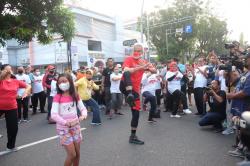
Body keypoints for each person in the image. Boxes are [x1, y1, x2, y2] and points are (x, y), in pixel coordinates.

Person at [121, 43, 156, 145]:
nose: (137, 52)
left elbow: (154, 71)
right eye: (136, 50)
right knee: (127, 73)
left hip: (135, 91)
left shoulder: (143, 61)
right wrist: (141, 67)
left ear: (142, 52)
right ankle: (129, 94)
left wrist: (148, 67)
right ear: (133, 51)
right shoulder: (129, 59)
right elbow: (126, 70)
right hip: (125, 86)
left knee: (136, 113)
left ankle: (132, 136)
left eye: (140, 51)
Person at [51, 73, 87, 166]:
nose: (62, 84)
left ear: (70, 82)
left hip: (76, 127)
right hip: (63, 129)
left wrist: (83, 115)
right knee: (72, 154)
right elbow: (53, 115)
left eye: (64, 81)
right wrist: (66, 123)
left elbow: (83, 109)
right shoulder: (57, 97)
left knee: (77, 154)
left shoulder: (75, 95)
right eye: (59, 82)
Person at [0, 64, 31, 151]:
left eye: (10, 70)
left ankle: (10, 146)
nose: (9, 71)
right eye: (6, 70)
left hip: (12, 107)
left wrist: (26, 92)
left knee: (13, 128)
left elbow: (28, 86)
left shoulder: (15, 81)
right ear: (2, 71)